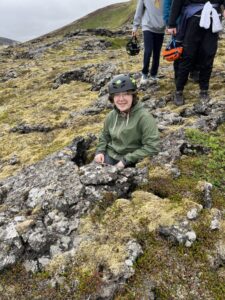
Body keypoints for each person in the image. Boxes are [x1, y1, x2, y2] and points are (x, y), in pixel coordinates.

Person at [94, 74, 160, 168]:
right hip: (110, 155)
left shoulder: (144, 118)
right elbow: (105, 135)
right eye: (117, 95)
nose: (121, 99)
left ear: (133, 96)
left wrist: (126, 161)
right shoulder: (111, 116)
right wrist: (100, 151)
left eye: (126, 94)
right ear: (112, 98)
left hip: (132, 160)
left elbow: (152, 147)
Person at [167, 0, 225, 105]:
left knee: (208, 55)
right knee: (187, 56)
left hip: (213, 19)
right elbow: (177, 2)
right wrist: (171, 24)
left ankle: (204, 90)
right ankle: (179, 90)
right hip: (192, 20)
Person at [132, 0, 165, 84]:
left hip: (160, 28)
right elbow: (139, 10)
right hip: (148, 26)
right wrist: (135, 26)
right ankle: (144, 73)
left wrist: (170, 25)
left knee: (157, 53)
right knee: (148, 51)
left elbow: (169, 10)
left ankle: (154, 75)